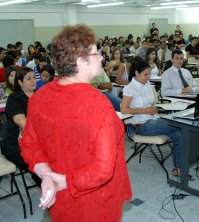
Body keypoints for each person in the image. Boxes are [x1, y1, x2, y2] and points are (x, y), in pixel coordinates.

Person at [19, 24, 131, 221]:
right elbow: (103, 170)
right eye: (97, 53)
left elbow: (29, 145)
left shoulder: (39, 97)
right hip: (94, 200)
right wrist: (63, 181)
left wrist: (47, 175)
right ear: (81, 62)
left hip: (60, 195)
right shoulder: (97, 104)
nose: (102, 57)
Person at [121, 59, 192, 180]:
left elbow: (152, 102)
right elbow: (124, 110)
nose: (148, 77)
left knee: (179, 133)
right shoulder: (130, 87)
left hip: (153, 120)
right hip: (141, 125)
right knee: (179, 123)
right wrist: (144, 111)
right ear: (137, 73)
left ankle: (178, 168)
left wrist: (153, 107)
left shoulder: (147, 84)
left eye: (149, 74)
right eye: (145, 74)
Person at [3, 67, 41, 186]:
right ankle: (51, 194)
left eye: (34, 77)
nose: (33, 81)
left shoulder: (40, 96)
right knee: (40, 165)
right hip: (16, 144)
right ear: (19, 82)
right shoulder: (14, 98)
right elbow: (21, 122)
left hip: (37, 140)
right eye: (28, 78)